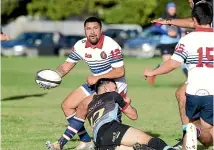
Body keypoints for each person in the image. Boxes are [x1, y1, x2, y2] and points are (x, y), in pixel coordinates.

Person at [44, 17, 128, 150]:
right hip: (96, 83)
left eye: (95, 28)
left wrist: (98, 78)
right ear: (85, 30)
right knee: (67, 105)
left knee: (92, 111)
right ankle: (86, 141)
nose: (92, 32)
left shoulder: (111, 45)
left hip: (114, 86)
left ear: (101, 30)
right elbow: (65, 67)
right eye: (89, 29)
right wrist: (52, 76)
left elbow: (120, 71)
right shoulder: (80, 45)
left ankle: (60, 143)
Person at [144, 3, 213, 149]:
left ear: (194, 20)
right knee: (209, 138)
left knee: (196, 127)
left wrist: (152, 72)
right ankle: (195, 132)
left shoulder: (187, 40)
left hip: (193, 93)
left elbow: (172, 64)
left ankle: (192, 131)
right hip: (212, 93)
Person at [47, 78, 177, 150]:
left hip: (99, 141)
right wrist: (128, 104)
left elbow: (76, 123)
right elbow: (133, 116)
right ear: (106, 88)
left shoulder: (86, 101)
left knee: (140, 149)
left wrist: (61, 142)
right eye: (115, 87)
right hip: (111, 128)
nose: (117, 90)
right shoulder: (113, 95)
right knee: (152, 141)